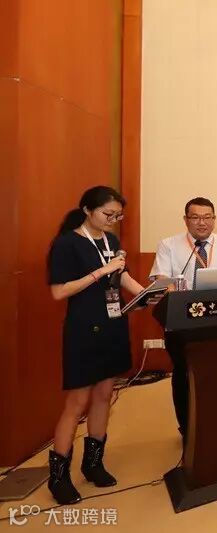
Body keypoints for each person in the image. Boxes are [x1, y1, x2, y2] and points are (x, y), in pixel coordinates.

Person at [46, 186, 146, 505]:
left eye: (118, 216)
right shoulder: (67, 244)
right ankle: (58, 477)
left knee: (105, 395)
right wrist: (101, 271)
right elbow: (59, 291)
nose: (113, 220)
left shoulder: (111, 241)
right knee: (77, 403)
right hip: (83, 329)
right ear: (87, 210)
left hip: (113, 325)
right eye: (108, 214)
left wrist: (149, 294)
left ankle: (93, 464)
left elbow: (122, 277)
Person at [149, 197, 217, 439]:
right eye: (195, 217)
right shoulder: (169, 245)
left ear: (214, 219)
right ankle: (188, 428)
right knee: (184, 373)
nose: (202, 222)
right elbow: (160, 279)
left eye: (207, 217)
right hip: (182, 323)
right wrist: (177, 295)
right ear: (186, 220)